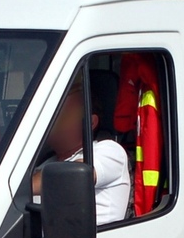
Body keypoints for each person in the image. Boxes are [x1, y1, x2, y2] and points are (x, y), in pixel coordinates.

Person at [32, 72, 130, 225]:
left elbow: (69, 177)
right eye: (51, 115)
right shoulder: (45, 163)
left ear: (90, 123)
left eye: (63, 114)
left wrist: (11, 188)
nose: (52, 122)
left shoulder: (109, 151)